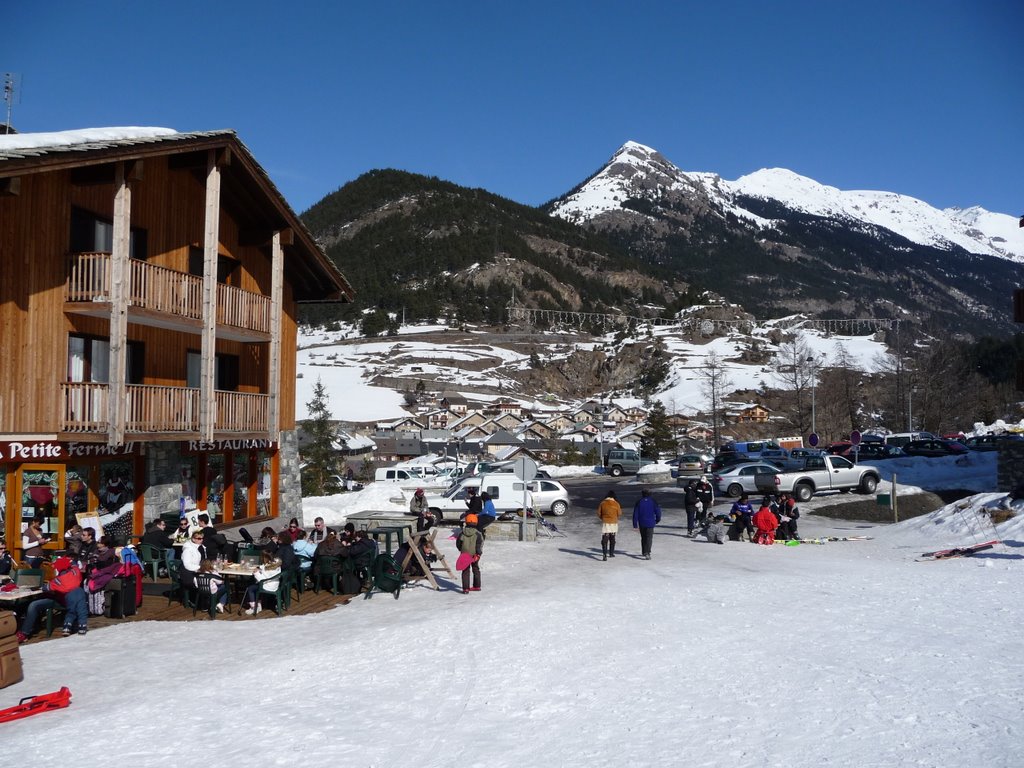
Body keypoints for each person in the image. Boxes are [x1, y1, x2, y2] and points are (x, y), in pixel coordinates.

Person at [16, 556, 89, 642]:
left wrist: (41, 587)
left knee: (33, 605)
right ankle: (77, 626)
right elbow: (75, 567)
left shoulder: (58, 580)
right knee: (32, 604)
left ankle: (24, 632)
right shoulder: (75, 573)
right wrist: (70, 561)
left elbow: (46, 587)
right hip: (71, 598)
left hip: (62, 600)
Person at [241, 551, 282, 616]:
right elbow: (265, 567)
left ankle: (253, 607)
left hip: (268, 585)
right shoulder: (275, 565)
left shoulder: (269, 569)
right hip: (274, 584)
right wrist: (259, 568)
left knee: (251, 589)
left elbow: (261, 579)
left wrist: (256, 573)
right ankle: (259, 605)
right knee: (256, 586)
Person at [456, 513, 483, 593]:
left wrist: (461, 550)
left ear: (466, 522)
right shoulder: (478, 534)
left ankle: (466, 588)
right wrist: (478, 554)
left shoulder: (462, 533)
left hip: (464, 554)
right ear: (476, 522)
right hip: (474, 554)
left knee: (465, 571)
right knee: (475, 569)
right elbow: (479, 544)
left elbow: (458, 543)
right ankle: (477, 586)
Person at [632, 489, 662, 560]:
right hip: (650, 522)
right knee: (649, 538)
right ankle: (647, 552)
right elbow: (658, 511)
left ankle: (644, 551)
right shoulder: (653, 501)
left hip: (642, 522)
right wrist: (657, 520)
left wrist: (635, 524)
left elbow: (635, 514)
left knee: (643, 537)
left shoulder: (639, 502)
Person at [596, 489, 622, 561]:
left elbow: (598, 513)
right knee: (612, 538)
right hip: (613, 523)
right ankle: (611, 553)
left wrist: (603, 518)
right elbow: (619, 513)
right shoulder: (616, 503)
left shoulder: (602, 503)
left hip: (606, 523)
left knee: (605, 538)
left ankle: (604, 554)